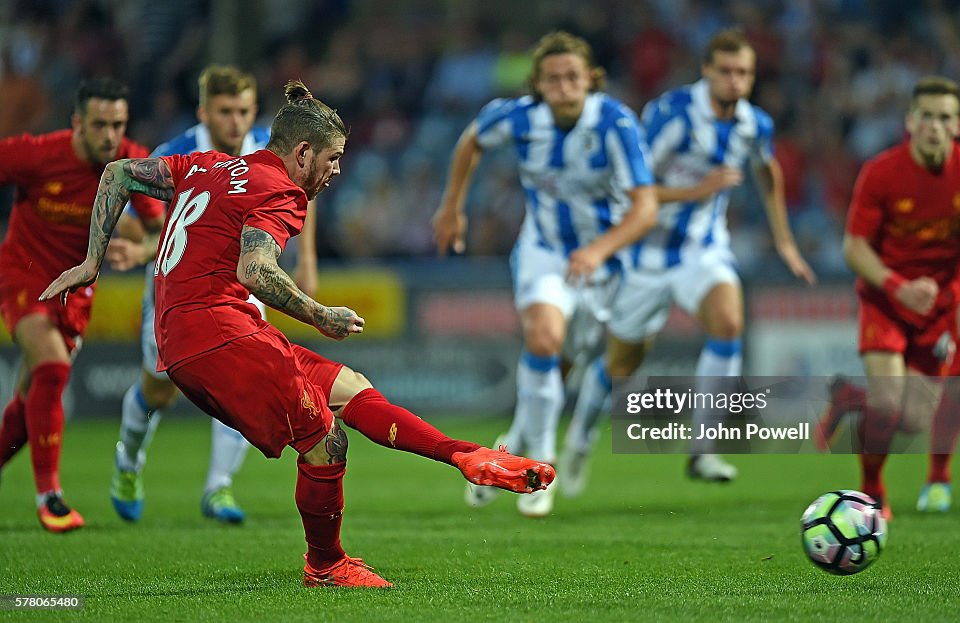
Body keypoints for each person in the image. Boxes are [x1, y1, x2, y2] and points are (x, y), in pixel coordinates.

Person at [41, 80, 554, 588]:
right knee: (326, 442)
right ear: (303, 152)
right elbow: (255, 271)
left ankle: (463, 454)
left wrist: (92, 260)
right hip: (217, 335)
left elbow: (119, 174)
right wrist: (318, 314)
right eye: (332, 159)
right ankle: (326, 566)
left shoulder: (207, 164)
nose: (336, 171)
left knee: (349, 387)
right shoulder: (281, 189)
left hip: (200, 331)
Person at [559, 29, 816, 496]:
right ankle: (579, 440)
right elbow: (629, 186)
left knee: (728, 322)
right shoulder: (671, 115)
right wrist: (695, 191)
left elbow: (767, 168)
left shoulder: (754, 124)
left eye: (745, 73)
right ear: (707, 71)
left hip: (703, 248)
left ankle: (703, 448)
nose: (736, 81)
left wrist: (785, 242)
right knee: (621, 363)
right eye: (727, 71)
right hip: (644, 256)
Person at [432, 31, 657, 518]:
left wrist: (599, 249)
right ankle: (542, 467)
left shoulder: (615, 122)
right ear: (537, 83)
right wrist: (452, 207)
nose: (562, 85)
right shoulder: (519, 118)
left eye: (572, 76)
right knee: (543, 338)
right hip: (544, 251)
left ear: (590, 79)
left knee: (573, 363)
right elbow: (472, 139)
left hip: (606, 260)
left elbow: (645, 208)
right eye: (552, 78)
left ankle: (507, 451)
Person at [105, 65, 319, 524]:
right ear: (205, 111)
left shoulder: (271, 145)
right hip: (178, 286)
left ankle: (219, 487)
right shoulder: (178, 151)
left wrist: (308, 261)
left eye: (243, 111)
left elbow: (299, 193)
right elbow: (147, 224)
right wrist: (138, 246)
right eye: (225, 112)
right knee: (156, 389)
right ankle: (129, 462)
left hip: (241, 281)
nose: (235, 122)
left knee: (248, 378)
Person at [817, 90, 960, 512]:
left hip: (941, 307)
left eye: (944, 117)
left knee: (912, 418)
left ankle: (849, 399)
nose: (935, 126)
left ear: (958, 125)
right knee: (892, 401)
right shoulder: (882, 173)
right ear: (909, 122)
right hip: (887, 301)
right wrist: (897, 287)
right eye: (926, 116)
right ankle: (873, 492)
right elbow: (854, 247)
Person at [0, 77, 151, 533]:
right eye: (100, 125)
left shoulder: (135, 163)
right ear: (77, 124)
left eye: (117, 124)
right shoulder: (37, 153)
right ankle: (51, 496)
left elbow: (163, 227)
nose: (110, 135)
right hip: (25, 274)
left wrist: (139, 250)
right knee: (52, 367)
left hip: (77, 292)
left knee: (30, 400)